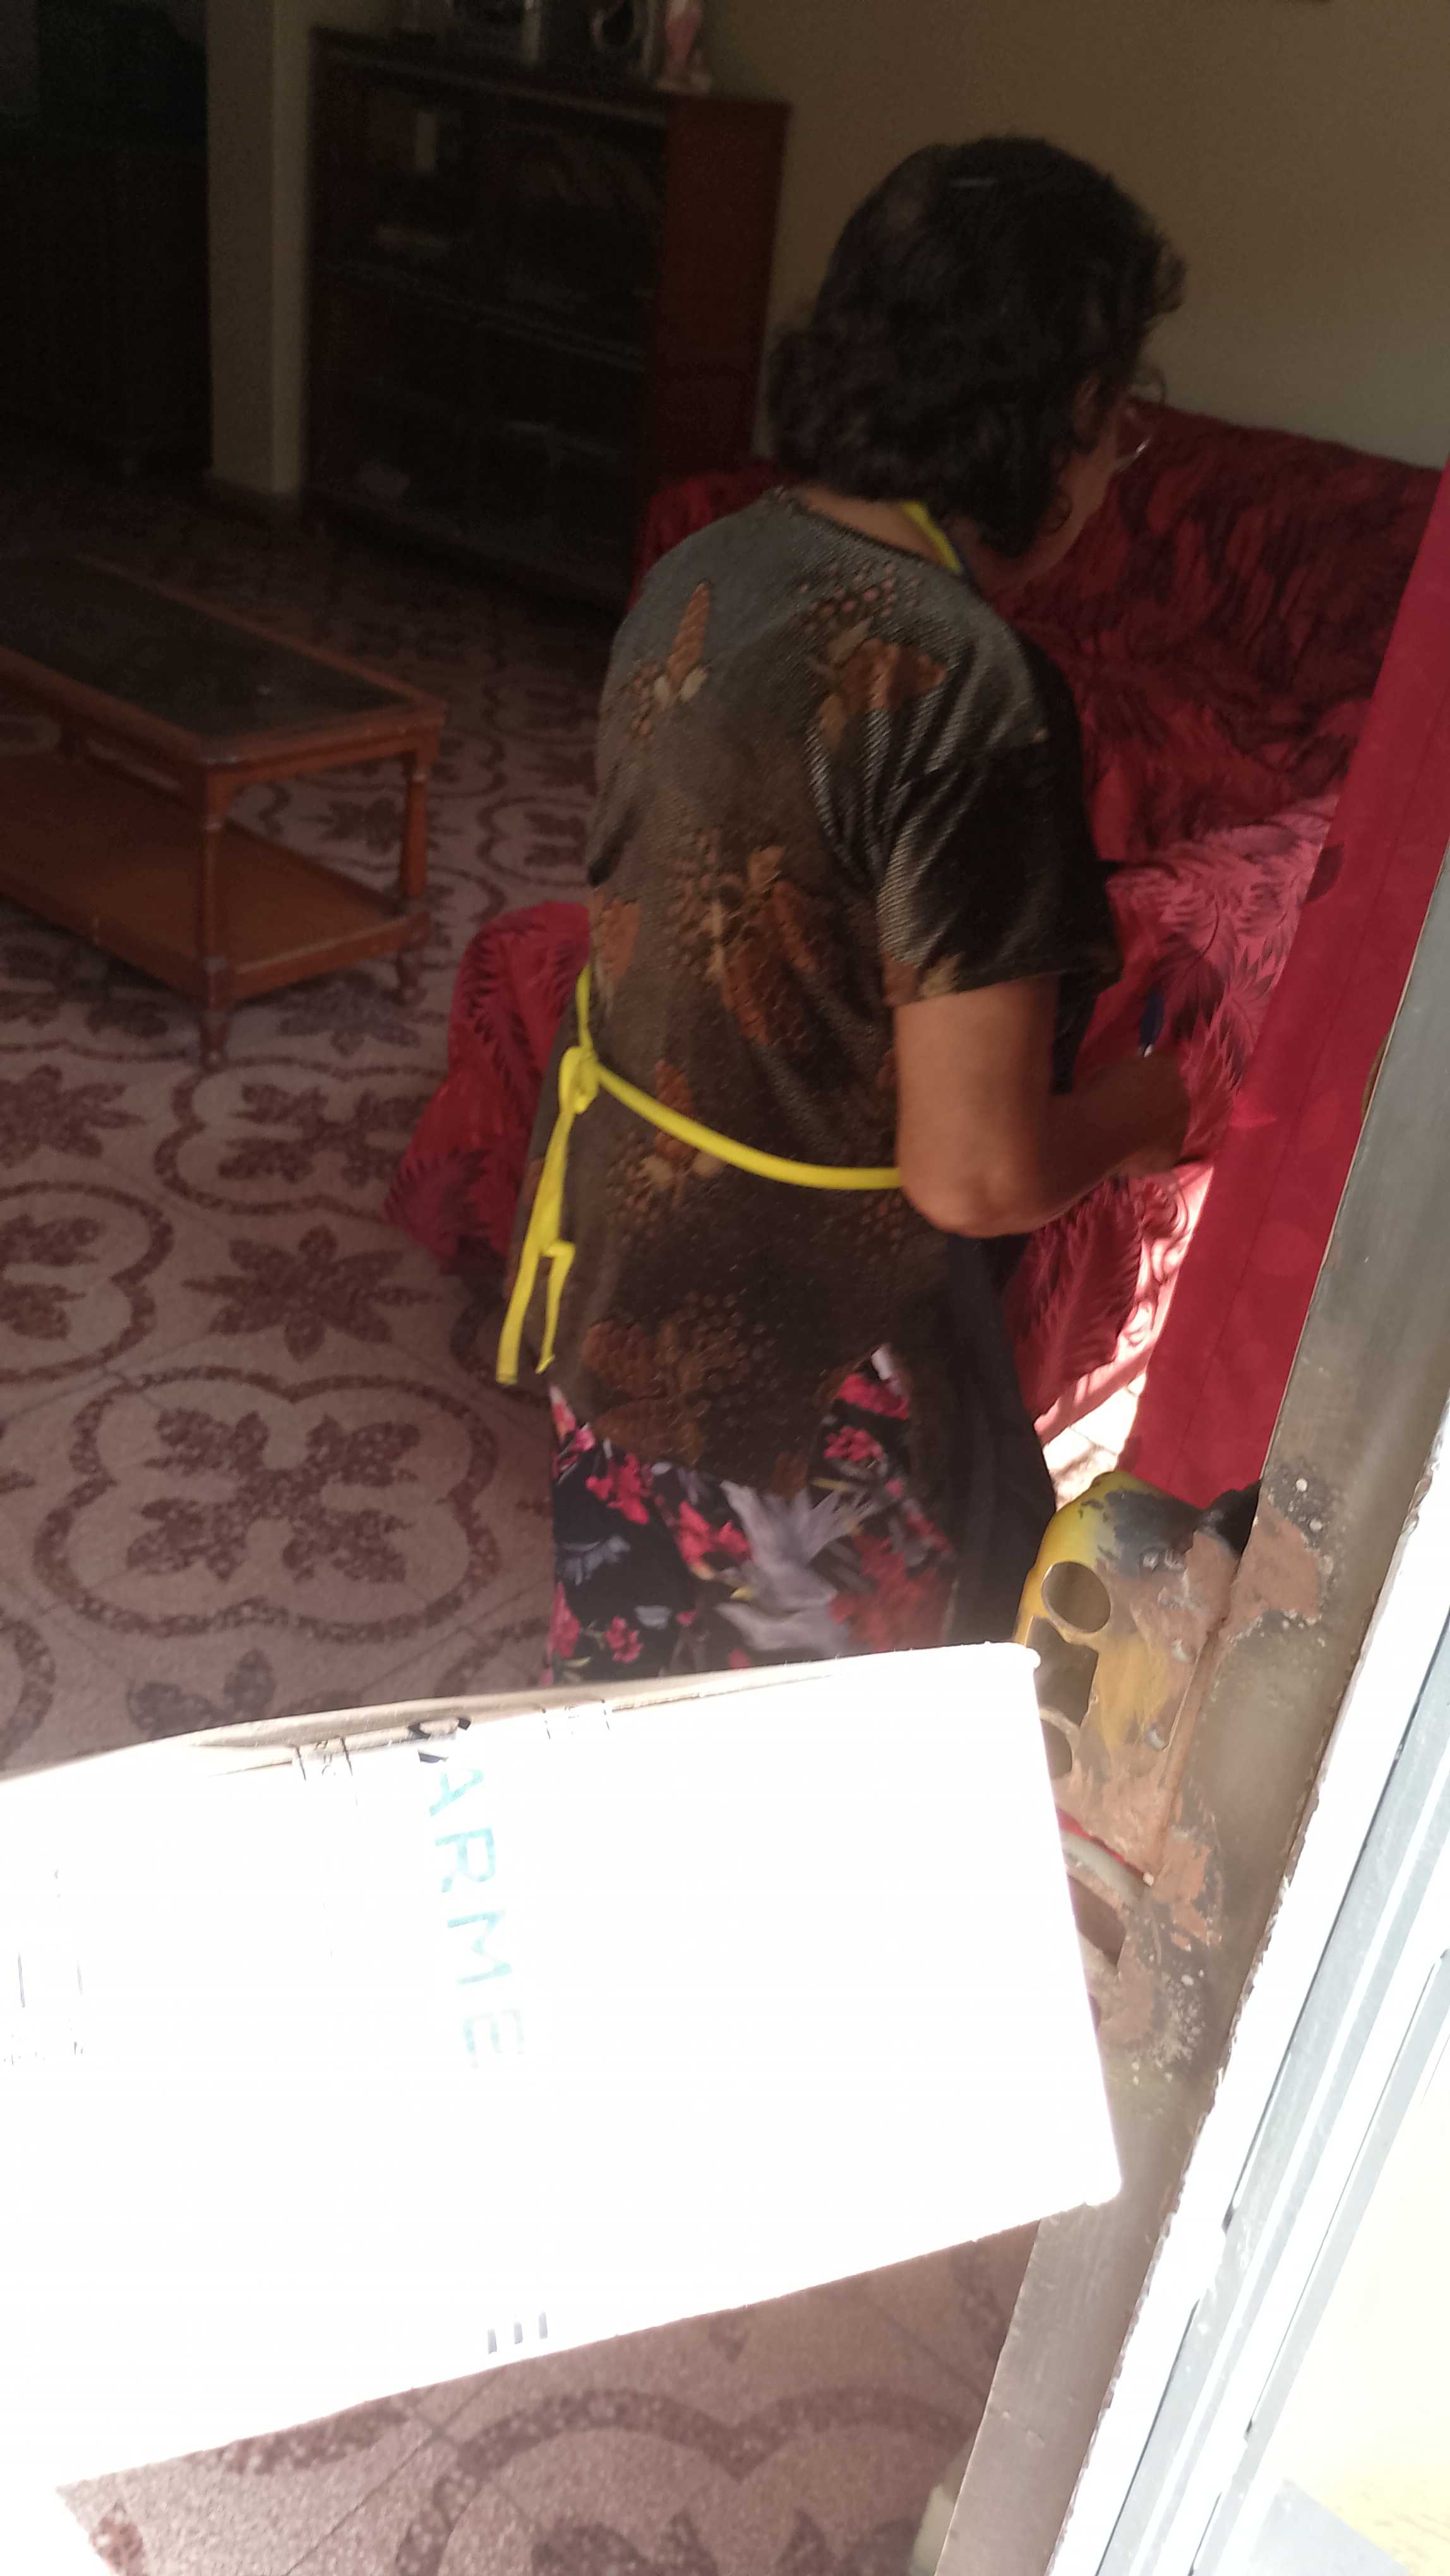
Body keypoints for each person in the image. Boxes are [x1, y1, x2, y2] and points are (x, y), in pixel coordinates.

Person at [500, 136, 1191, 1683]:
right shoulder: (962, 685)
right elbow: (974, 1169)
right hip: (795, 1369)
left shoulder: (711, 559)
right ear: (1050, 413)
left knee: (628, 1687)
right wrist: (1141, 1109)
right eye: (1115, 417)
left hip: (617, 1268)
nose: (1110, 465)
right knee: (795, 1766)